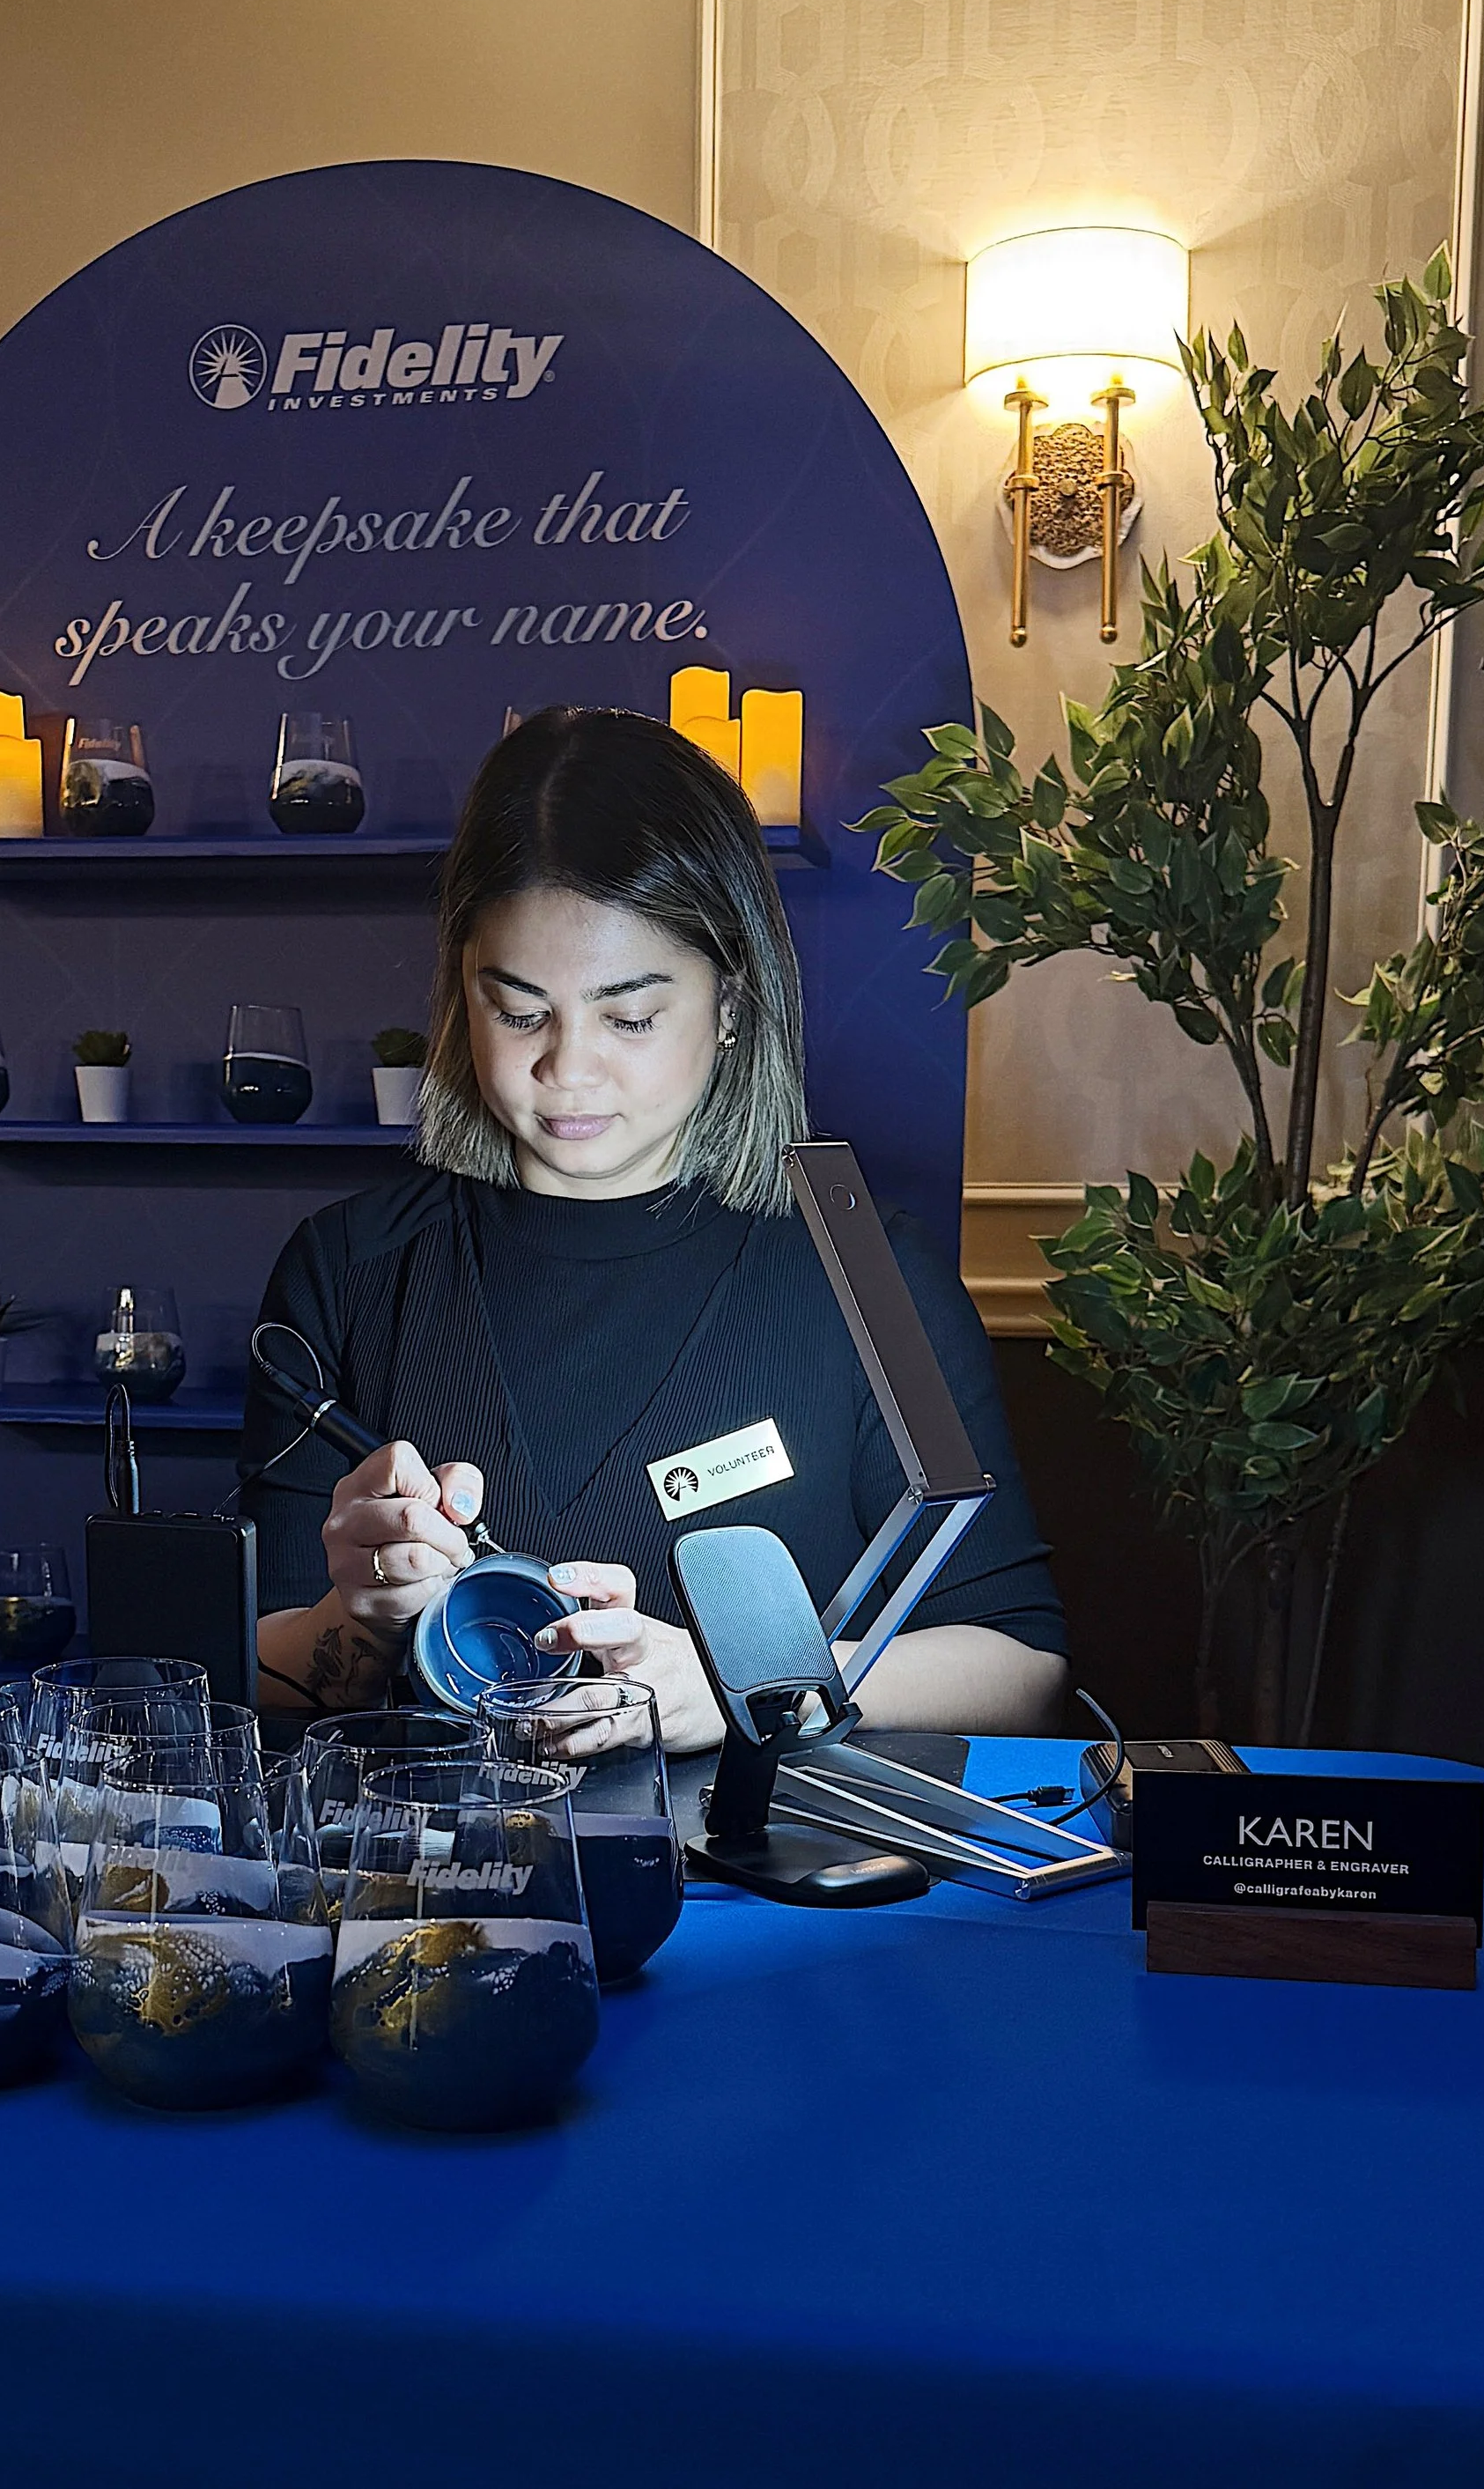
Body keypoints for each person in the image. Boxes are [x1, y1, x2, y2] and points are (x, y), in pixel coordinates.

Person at [242, 706, 1067, 1749]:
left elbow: (1017, 1665)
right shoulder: (350, 1270)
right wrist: (355, 1621)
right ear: (462, 992)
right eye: (519, 1010)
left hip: (770, 1892)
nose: (568, 1067)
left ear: (730, 999)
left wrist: (748, 1681)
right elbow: (261, 1664)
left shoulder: (862, 1273)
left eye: (629, 1016)